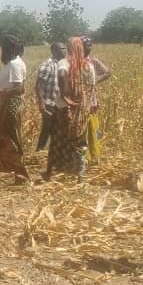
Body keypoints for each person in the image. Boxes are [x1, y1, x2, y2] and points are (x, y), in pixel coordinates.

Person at [45, 37, 95, 180]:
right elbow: (91, 87)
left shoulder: (64, 62)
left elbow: (61, 75)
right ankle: (80, 174)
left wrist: (66, 96)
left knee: (57, 141)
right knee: (79, 142)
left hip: (64, 109)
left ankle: (49, 172)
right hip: (82, 109)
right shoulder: (89, 66)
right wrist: (85, 104)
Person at [0, 35, 29, 180]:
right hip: (8, 104)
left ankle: (21, 174)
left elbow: (19, 88)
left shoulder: (15, 64)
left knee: (11, 138)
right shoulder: (13, 63)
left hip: (11, 104)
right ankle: (9, 170)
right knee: (4, 137)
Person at [81, 36, 111, 164]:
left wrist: (94, 81)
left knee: (93, 128)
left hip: (90, 100)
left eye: (90, 45)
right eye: (86, 46)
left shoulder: (92, 61)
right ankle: (86, 156)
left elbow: (107, 72)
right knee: (83, 130)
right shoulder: (74, 62)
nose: (88, 48)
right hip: (79, 101)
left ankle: (94, 155)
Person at [35, 42, 66, 151]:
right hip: (49, 103)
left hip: (58, 103)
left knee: (56, 131)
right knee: (47, 130)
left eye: (65, 48)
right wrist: (41, 103)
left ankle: (52, 155)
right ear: (54, 51)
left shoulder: (62, 64)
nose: (65, 50)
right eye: (62, 48)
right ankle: (39, 153)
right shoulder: (48, 65)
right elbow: (38, 86)